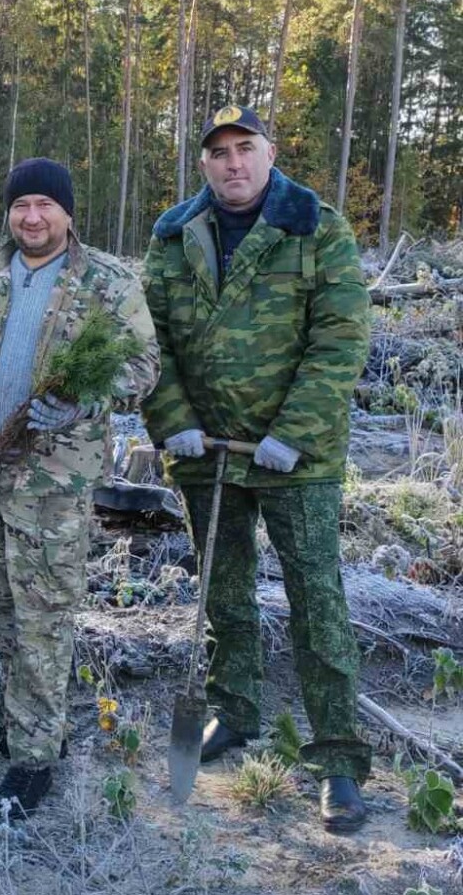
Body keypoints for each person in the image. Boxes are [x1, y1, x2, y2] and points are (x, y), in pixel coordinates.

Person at [141, 105, 372, 832]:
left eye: (246, 149)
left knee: (317, 602)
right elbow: (152, 342)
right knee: (224, 592)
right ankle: (234, 710)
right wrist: (172, 418)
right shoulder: (174, 234)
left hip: (295, 459)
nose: (233, 163)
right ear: (203, 163)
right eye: (219, 153)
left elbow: (340, 339)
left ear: (270, 152)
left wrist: (293, 431)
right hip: (206, 456)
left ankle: (337, 755)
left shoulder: (315, 226)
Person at [0, 159, 158, 821]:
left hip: (53, 486)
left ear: (67, 213)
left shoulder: (105, 281)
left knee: (43, 616)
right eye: (21, 205)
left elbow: (142, 363)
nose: (32, 217)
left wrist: (82, 400)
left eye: (45, 205)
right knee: (1, 609)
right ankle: (26, 715)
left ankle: (35, 758)